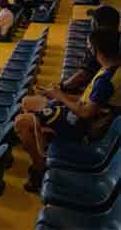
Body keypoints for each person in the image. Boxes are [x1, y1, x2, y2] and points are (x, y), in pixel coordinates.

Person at [15, 30, 121, 193]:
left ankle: (39, 168)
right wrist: (57, 94)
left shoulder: (106, 81)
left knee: (22, 122)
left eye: (88, 46)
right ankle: (42, 138)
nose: (87, 49)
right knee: (28, 102)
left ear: (96, 50)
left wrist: (59, 96)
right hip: (81, 115)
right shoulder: (111, 69)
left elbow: (86, 113)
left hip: (82, 126)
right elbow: (88, 101)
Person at [61, 6, 121, 94]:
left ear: (97, 24)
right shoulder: (118, 37)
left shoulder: (100, 45)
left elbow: (83, 76)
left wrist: (61, 87)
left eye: (93, 20)